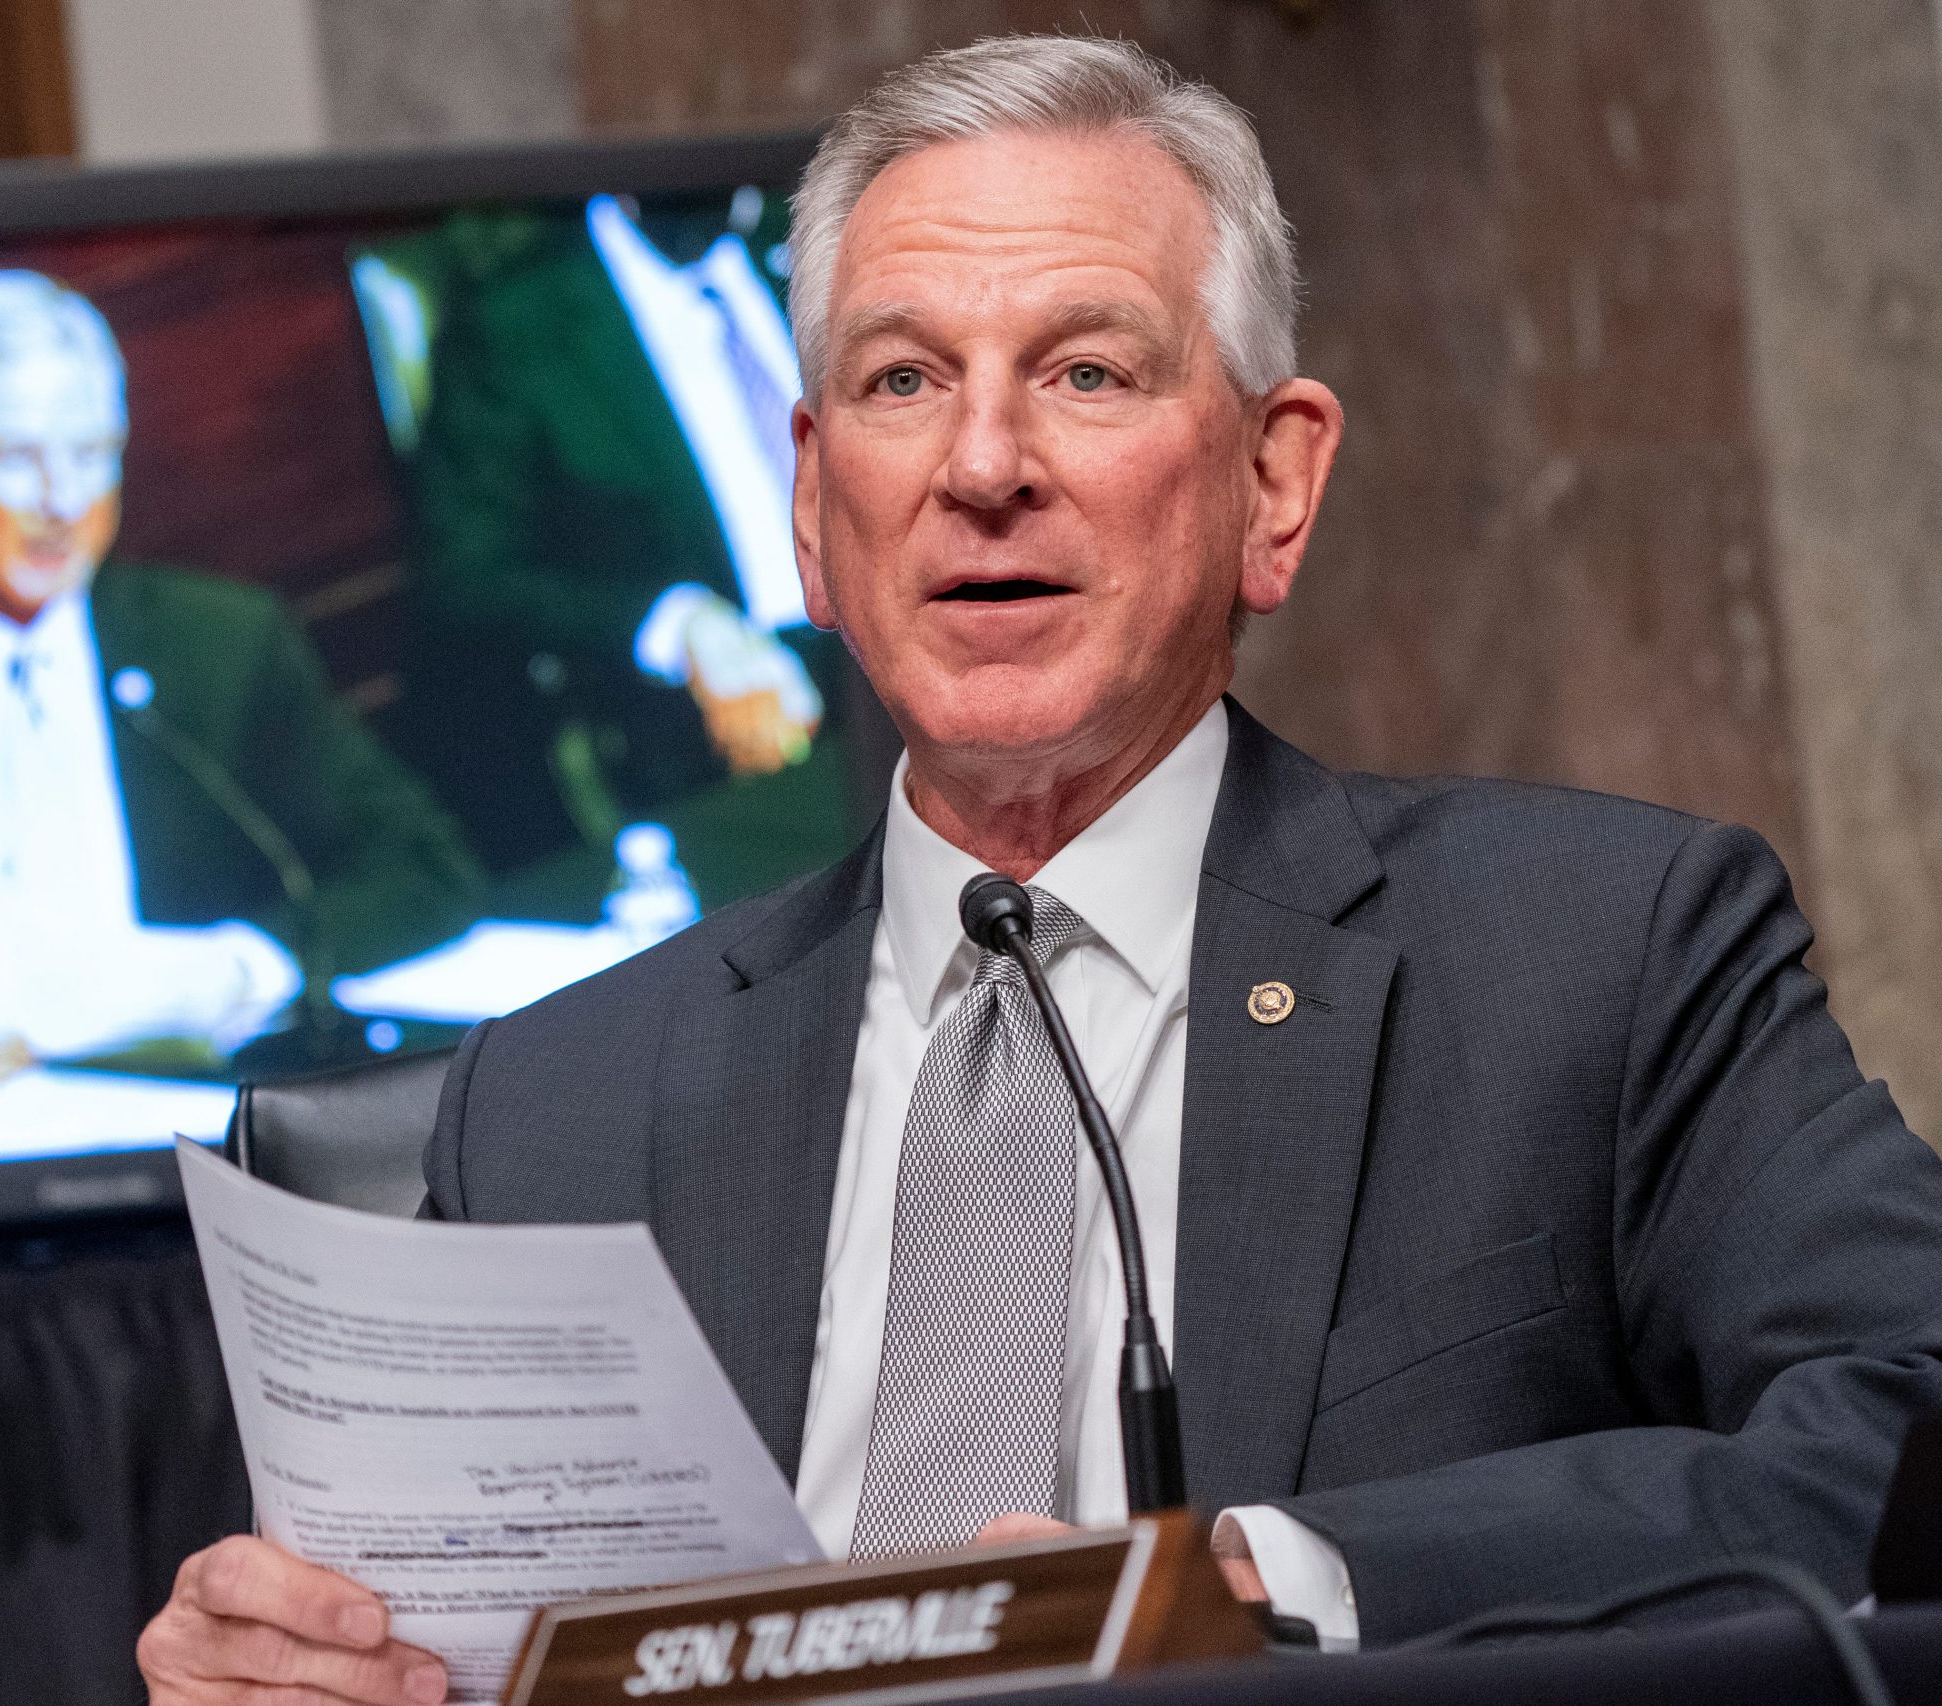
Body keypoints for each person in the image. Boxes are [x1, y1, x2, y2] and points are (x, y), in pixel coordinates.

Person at [137, 36, 1942, 1701]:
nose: (983, 466)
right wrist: (288, 1662)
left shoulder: (1596, 956)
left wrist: (1271, 1577)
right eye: (905, 379)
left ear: (1273, 482)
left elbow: (1909, 1411)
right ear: (812, 501)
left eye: (1086, 370)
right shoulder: (557, 1104)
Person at [0, 270, 481, 1118]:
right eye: (17, 459)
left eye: (93, 452)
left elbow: (424, 866)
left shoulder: (218, 645)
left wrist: (242, 966)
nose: (65, 502)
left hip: (201, 1107)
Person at [367, 192, 838, 877]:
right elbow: (464, 581)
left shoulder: (814, 236)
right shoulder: (516, 322)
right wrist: (675, 625)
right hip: (706, 710)